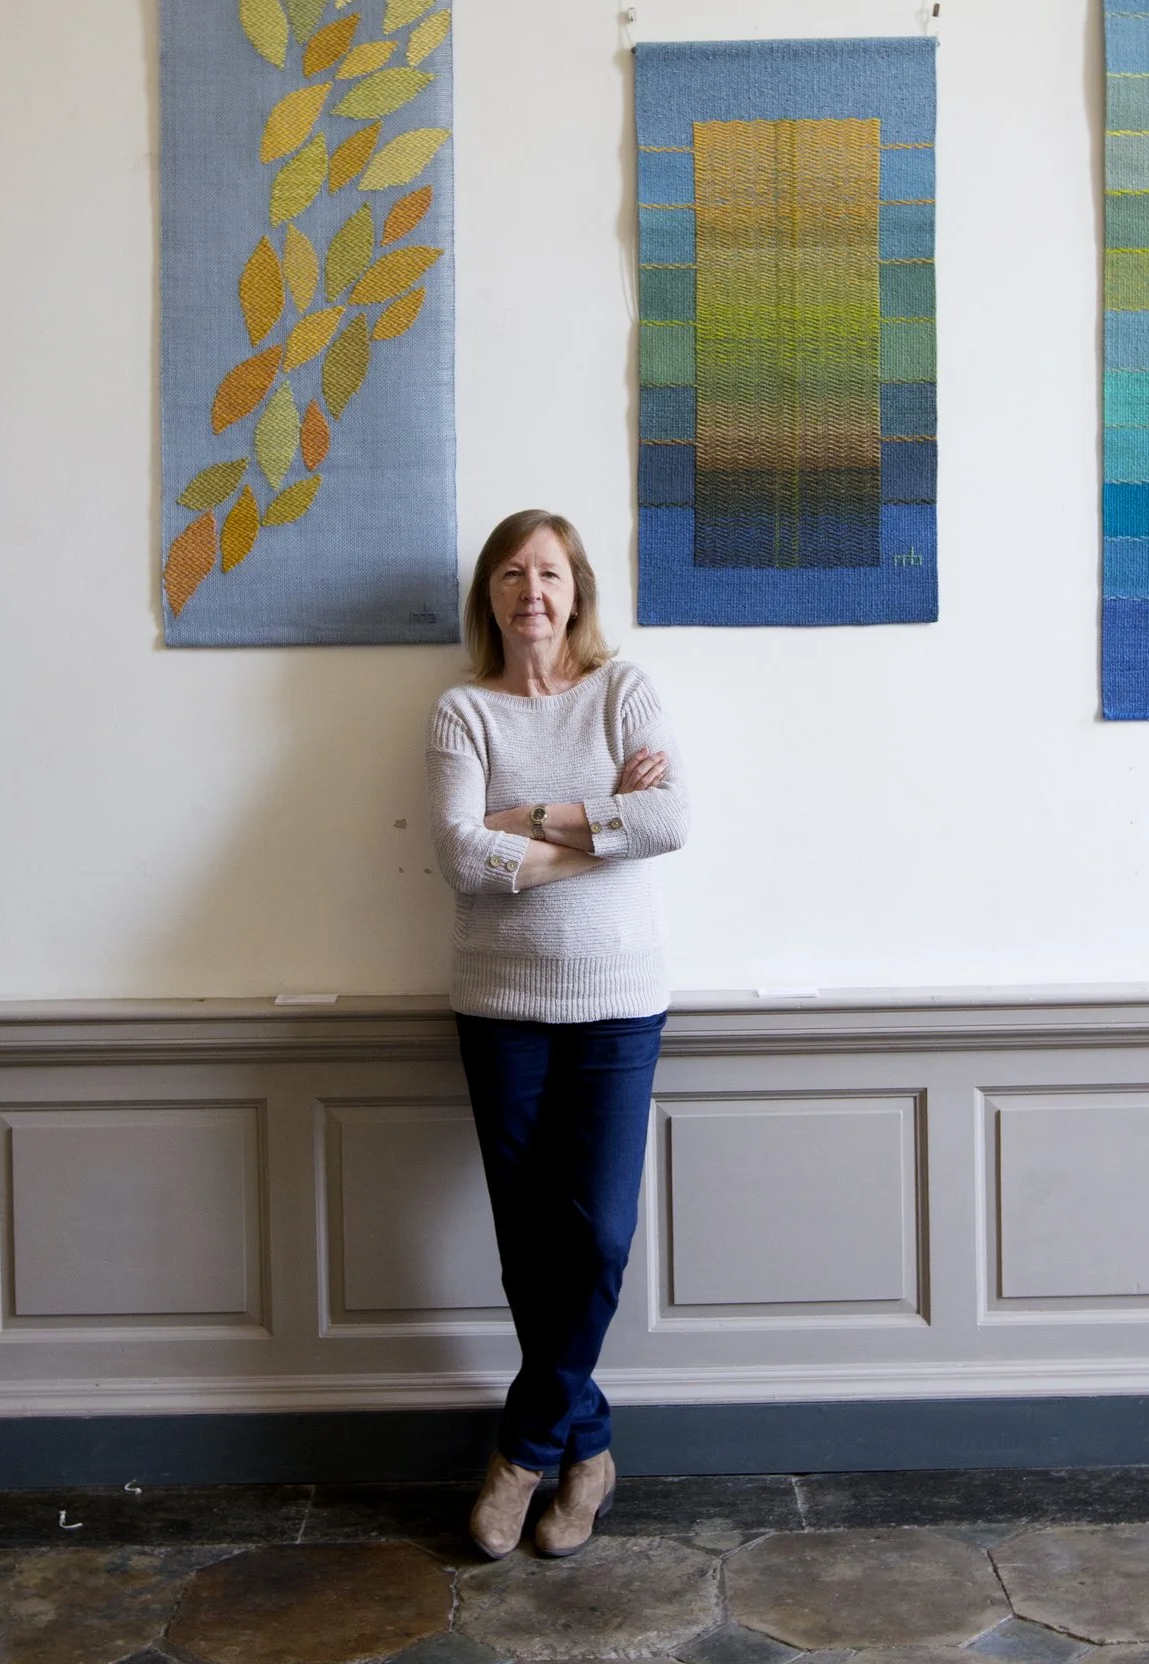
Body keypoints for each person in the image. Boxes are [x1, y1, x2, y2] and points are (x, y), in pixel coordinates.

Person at [427, 509, 690, 1559]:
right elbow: (458, 855)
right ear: (488, 596)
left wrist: (526, 819)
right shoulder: (463, 711)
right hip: (500, 1010)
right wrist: (597, 825)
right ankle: (590, 1450)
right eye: (509, 573)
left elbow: (669, 820)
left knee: (598, 1237)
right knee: (530, 1247)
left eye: (547, 572)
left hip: (619, 1002)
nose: (529, 591)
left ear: (576, 589)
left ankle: (525, 1448)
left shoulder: (623, 690)